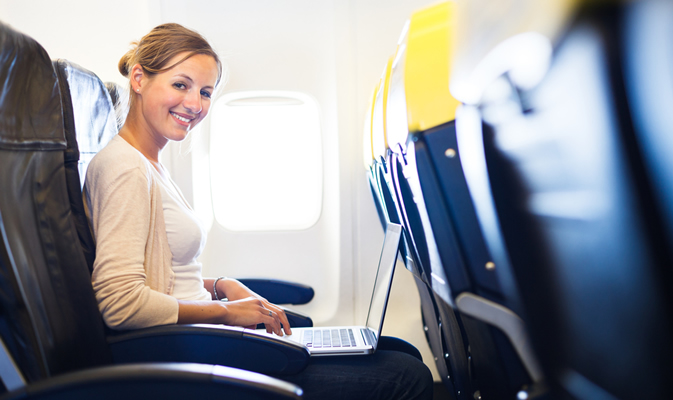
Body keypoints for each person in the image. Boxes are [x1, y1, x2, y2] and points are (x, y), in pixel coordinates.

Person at [83, 23, 433, 400]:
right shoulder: (124, 169)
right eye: (180, 85)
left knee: (398, 351)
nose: (195, 104)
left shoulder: (149, 165)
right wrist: (227, 313)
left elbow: (164, 277)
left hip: (203, 342)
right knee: (405, 375)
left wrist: (220, 287)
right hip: (188, 358)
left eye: (205, 92)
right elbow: (120, 303)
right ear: (138, 78)